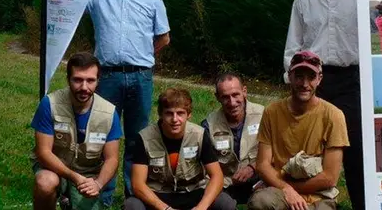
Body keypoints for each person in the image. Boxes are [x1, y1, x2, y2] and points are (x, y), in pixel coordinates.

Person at [282, 0, 365, 209]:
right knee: (309, 149)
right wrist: (292, 80)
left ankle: (361, 204)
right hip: (313, 80)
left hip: (351, 80)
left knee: (354, 151)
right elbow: (294, 44)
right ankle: (313, 203)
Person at [86, 0, 171, 204]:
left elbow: (164, 38)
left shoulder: (153, 0)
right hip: (108, 76)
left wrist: (141, 56)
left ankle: (133, 195)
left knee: (137, 138)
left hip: (140, 77)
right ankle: (104, 194)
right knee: (104, 135)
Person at [248, 51, 350, 210]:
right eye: (299, 76)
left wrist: (292, 189)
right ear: (289, 77)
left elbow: (330, 177)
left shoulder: (334, 115)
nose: (304, 83)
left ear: (319, 79)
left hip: (319, 194)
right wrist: (285, 189)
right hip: (280, 190)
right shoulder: (271, 112)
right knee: (260, 202)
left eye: (311, 77)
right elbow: (262, 164)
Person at [30, 52, 122, 210]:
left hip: (89, 175)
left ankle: (71, 200)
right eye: (78, 80)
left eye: (90, 80)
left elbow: (112, 159)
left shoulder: (109, 113)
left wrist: (98, 184)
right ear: (68, 80)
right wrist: (74, 177)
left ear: (98, 81)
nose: (84, 87)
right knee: (45, 182)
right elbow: (43, 152)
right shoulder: (49, 104)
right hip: (54, 168)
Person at [125, 88, 236, 210]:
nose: (175, 119)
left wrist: (201, 207)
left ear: (189, 114)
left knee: (225, 203)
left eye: (180, 113)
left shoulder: (199, 134)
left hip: (193, 191)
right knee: (132, 205)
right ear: (161, 114)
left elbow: (217, 176)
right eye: (169, 113)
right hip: (159, 194)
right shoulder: (144, 137)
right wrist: (165, 209)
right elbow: (138, 184)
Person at [200, 73, 264, 204]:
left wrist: (253, 167)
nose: (232, 102)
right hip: (225, 184)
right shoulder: (208, 126)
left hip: (259, 179)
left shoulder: (265, 115)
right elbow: (204, 168)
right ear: (217, 97)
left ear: (244, 92)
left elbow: (278, 153)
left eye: (235, 95)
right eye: (225, 97)